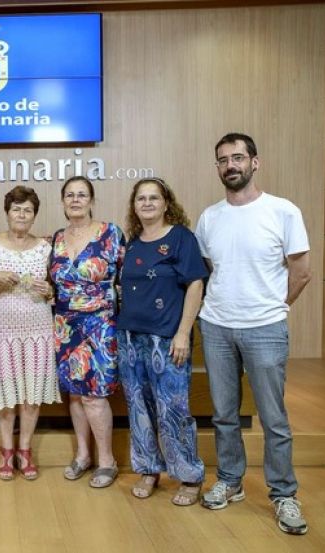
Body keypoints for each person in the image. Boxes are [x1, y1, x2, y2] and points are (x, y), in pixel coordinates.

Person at [196, 133, 311, 535]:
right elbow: (207, 272)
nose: (231, 165)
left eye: (238, 158)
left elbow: (301, 272)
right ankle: (231, 481)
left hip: (265, 328)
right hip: (216, 327)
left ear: (254, 162)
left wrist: (274, 308)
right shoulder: (209, 217)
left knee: (273, 418)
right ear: (218, 167)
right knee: (224, 414)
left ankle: (284, 493)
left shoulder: (283, 211)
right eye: (223, 160)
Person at [117, 178, 207, 505]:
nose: (147, 203)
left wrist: (183, 332)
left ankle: (189, 476)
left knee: (173, 409)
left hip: (168, 338)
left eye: (154, 198)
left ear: (166, 203)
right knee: (139, 408)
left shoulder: (181, 238)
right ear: (134, 205)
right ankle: (148, 469)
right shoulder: (132, 244)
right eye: (141, 198)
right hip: (130, 338)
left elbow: (195, 285)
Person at [0, 185, 60, 481]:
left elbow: (54, 290)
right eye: (16, 209)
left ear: (34, 215)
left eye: (27, 210)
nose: (22, 215)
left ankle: (25, 450)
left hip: (38, 327)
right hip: (2, 329)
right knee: (6, 393)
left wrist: (49, 289)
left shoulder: (46, 247)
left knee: (32, 393)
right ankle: (6, 450)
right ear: (7, 212)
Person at [50, 176, 125, 488]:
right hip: (65, 325)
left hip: (100, 324)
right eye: (70, 195)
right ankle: (82, 455)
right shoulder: (57, 238)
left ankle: (107, 461)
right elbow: (52, 282)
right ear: (63, 201)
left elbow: (126, 278)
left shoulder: (110, 233)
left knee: (94, 396)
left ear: (92, 200)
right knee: (75, 395)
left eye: (82, 195)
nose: (75, 200)